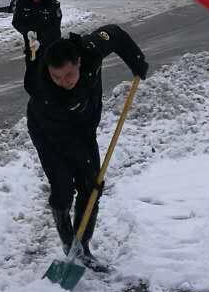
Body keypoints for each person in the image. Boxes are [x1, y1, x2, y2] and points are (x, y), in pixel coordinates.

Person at [25, 26, 149, 270]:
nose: (64, 83)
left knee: (92, 185)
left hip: (82, 128)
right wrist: (82, 166)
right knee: (63, 186)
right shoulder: (44, 90)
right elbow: (66, 144)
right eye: (57, 77)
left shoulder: (90, 50)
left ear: (79, 62)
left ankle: (83, 244)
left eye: (69, 75)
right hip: (49, 132)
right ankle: (68, 239)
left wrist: (136, 60)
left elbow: (115, 34)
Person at [12, 0, 62, 69]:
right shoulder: (22, 3)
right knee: (31, 79)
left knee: (49, 79)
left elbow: (55, 30)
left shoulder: (52, 4)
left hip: (50, 50)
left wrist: (40, 41)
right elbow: (16, 22)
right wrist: (27, 32)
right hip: (31, 50)